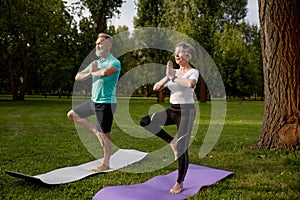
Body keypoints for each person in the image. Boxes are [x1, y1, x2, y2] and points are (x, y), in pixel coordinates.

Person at [140, 42, 199, 194]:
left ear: (188, 56)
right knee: (145, 121)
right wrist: (167, 77)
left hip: (186, 112)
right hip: (172, 110)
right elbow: (156, 87)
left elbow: (190, 84)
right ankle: (171, 141)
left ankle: (179, 182)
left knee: (182, 148)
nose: (176, 56)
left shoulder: (193, 72)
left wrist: (173, 78)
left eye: (180, 53)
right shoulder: (172, 73)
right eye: (175, 53)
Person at [67, 33, 121, 172]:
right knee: (72, 115)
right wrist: (92, 71)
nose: (97, 46)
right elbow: (78, 77)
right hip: (93, 101)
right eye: (96, 43)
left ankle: (106, 163)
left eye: (100, 43)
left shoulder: (114, 62)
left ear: (108, 45)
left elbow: (105, 73)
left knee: (106, 135)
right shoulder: (95, 63)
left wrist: (94, 71)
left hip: (106, 103)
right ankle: (96, 131)